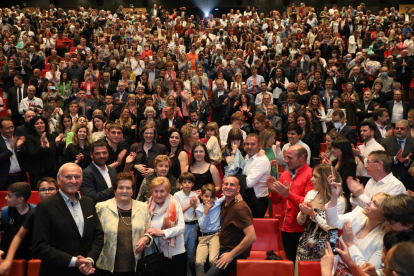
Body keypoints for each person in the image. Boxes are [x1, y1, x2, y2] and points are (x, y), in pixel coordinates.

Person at [32, 163, 104, 276]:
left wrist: (89, 260)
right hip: (57, 271)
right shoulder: (45, 206)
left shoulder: (88, 202)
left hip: (87, 270)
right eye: (68, 177)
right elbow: (39, 246)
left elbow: (98, 235)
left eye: (77, 176)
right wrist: (75, 261)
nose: (73, 180)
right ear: (58, 179)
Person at [326, 177, 391, 272]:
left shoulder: (383, 239)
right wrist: (334, 196)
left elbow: (367, 270)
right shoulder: (357, 213)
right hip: (336, 269)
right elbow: (332, 221)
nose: (368, 203)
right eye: (371, 200)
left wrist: (350, 244)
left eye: (375, 203)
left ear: (383, 214)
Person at [95, 172, 153, 275]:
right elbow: (93, 235)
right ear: (115, 190)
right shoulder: (101, 208)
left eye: (128, 188)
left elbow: (149, 231)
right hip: (106, 267)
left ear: (132, 190)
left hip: (134, 266)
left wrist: (145, 238)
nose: (124, 191)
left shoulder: (143, 207)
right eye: (121, 188)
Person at [0, 177, 58, 275]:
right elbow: (18, 236)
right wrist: (8, 259)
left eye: (51, 189)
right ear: (38, 192)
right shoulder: (34, 212)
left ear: (58, 190)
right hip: (30, 252)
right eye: (43, 189)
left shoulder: (66, 208)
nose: (47, 192)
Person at [268, 145, 313, 262]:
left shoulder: (311, 175)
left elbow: (308, 204)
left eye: (289, 158)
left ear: (302, 158)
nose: (286, 161)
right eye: (285, 158)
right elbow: (277, 200)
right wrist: (273, 192)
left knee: (301, 265)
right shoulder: (285, 174)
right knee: (289, 262)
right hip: (284, 227)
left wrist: (288, 194)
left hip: (302, 229)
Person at [204, 176, 256, 276]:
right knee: (193, 263)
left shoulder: (239, 208)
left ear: (238, 189)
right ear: (222, 186)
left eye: (232, 185)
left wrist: (231, 255)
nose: (228, 187)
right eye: (226, 184)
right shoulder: (224, 202)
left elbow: (252, 237)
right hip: (221, 247)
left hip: (234, 252)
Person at [296, 164, 346, 266]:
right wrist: (302, 213)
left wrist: (314, 215)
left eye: (315, 177)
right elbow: (300, 222)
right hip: (306, 245)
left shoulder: (339, 200)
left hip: (327, 248)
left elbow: (333, 229)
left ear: (324, 179)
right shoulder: (311, 194)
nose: (311, 179)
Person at [145, 177, 187, 276]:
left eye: (162, 191)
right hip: (154, 253)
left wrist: (161, 233)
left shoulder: (175, 204)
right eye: (156, 191)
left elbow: (181, 228)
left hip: (175, 252)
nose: (159, 194)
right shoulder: (146, 206)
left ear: (168, 191)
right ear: (151, 191)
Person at [23, 116, 63, 190]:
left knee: (52, 192)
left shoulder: (52, 136)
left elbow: (58, 154)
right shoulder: (30, 138)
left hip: (52, 172)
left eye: (42, 123)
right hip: (37, 173)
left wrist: (57, 144)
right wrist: (42, 147)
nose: (40, 125)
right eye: (37, 123)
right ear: (33, 126)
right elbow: (32, 154)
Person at [174, 172, 200, 274]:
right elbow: (177, 212)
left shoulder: (195, 195)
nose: (187, 184)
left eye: (189, 182)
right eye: (184, 182)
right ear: (181, 184)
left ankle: (189, 274)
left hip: (193, 225)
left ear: (193, 184)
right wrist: (190, 205)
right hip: (181, 226)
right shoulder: (177, 195)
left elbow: (199, 212)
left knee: (191, 253)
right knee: (179, 252)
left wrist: (194, 205)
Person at [0, 182, 34, 260]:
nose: (5, 198)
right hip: (6, 252)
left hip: (26, 253)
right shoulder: (5, 211)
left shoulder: (34, 212)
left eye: (9, 196)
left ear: (20, 199)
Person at [126, 124, 167, 190]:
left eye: (151, 133)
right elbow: (128, 164)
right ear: (142, 134)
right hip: (137, 182)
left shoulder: (161, 148)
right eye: (146, 133)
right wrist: (135, 166)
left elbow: (165, 166)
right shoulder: (134, 147)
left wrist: (154, 170)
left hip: (156, 181)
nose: (148, 135)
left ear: (154, 135)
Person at [242, 133, 271, 218]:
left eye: (253, 144)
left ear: (259, 145)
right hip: (249, 199)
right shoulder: (247, 157)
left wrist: (236, 181)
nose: (249, 146)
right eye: (247, 144)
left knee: (254, 230)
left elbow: (249, 183)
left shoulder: (261, 160)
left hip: (257, 202)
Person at [381, 119, 414, 190]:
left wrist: (408, 162)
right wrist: (395, 158)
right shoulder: (385, 142)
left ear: (408, 130)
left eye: (402, 129)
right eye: (397, 128)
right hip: (389, 179)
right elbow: (381, 159)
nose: (399, 130)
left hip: (408, 180)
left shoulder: (413, 143)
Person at [0, 118, 27, 189]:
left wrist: (19, 148)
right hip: (4, 179)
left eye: (12, 127)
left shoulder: (18, 139)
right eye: (7, 128)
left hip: (19, 177)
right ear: (0, 129)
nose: (11, 130)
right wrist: (12, 149)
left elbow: (26, 157)